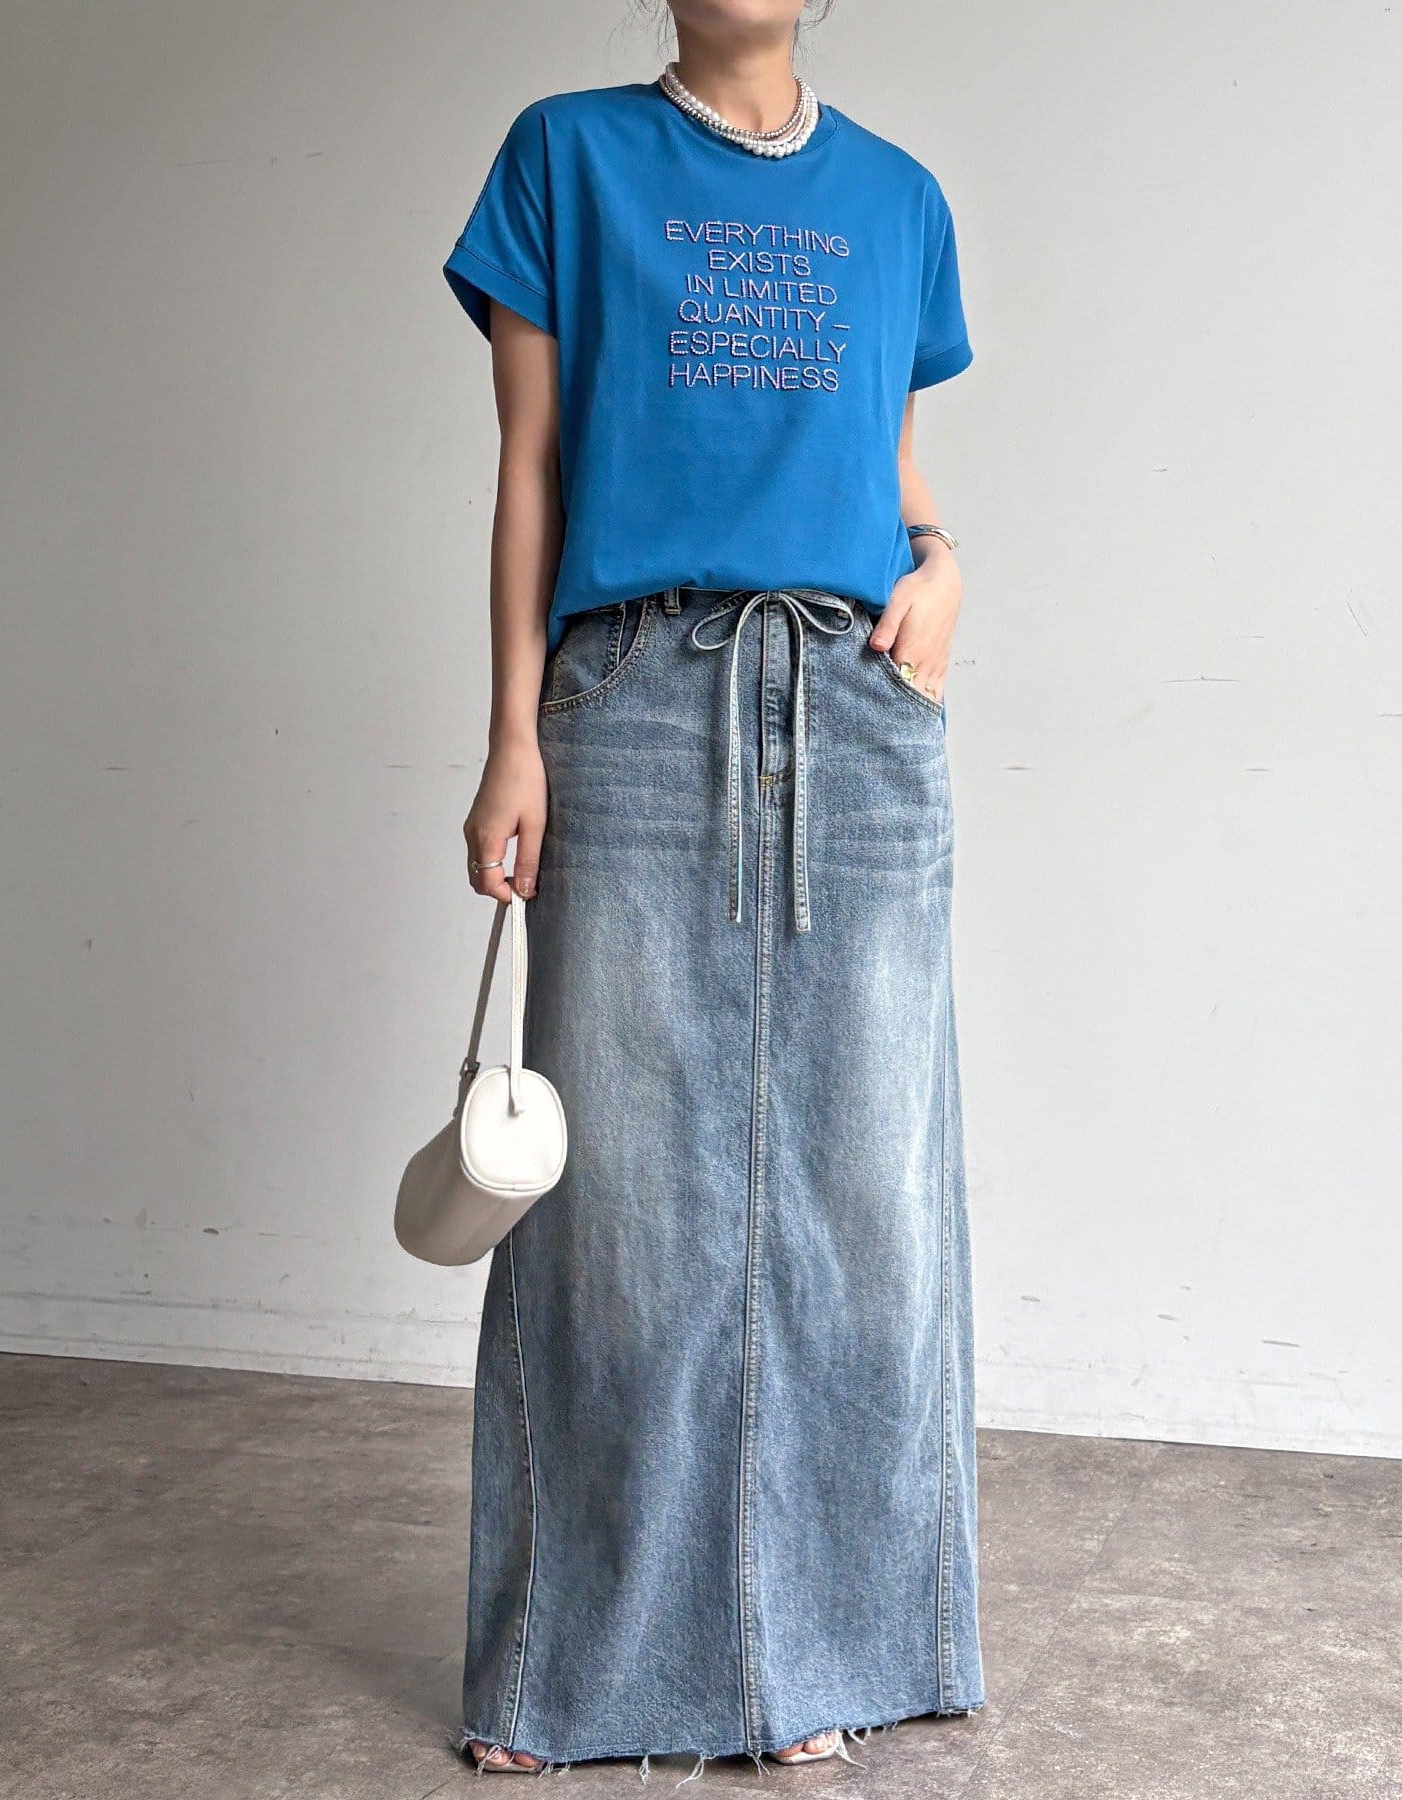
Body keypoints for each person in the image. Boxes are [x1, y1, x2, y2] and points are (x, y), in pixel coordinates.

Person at [441, 0, 981, 1774]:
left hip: (858, 707)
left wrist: (945, 564)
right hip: (635, 695)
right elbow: (530, 466)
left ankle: (810, 1661)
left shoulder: (899, 198)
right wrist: (512, 736)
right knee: (626, 1213)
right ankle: (570, 1673)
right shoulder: (568, 153)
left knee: (863, 1202)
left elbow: (889, 466)